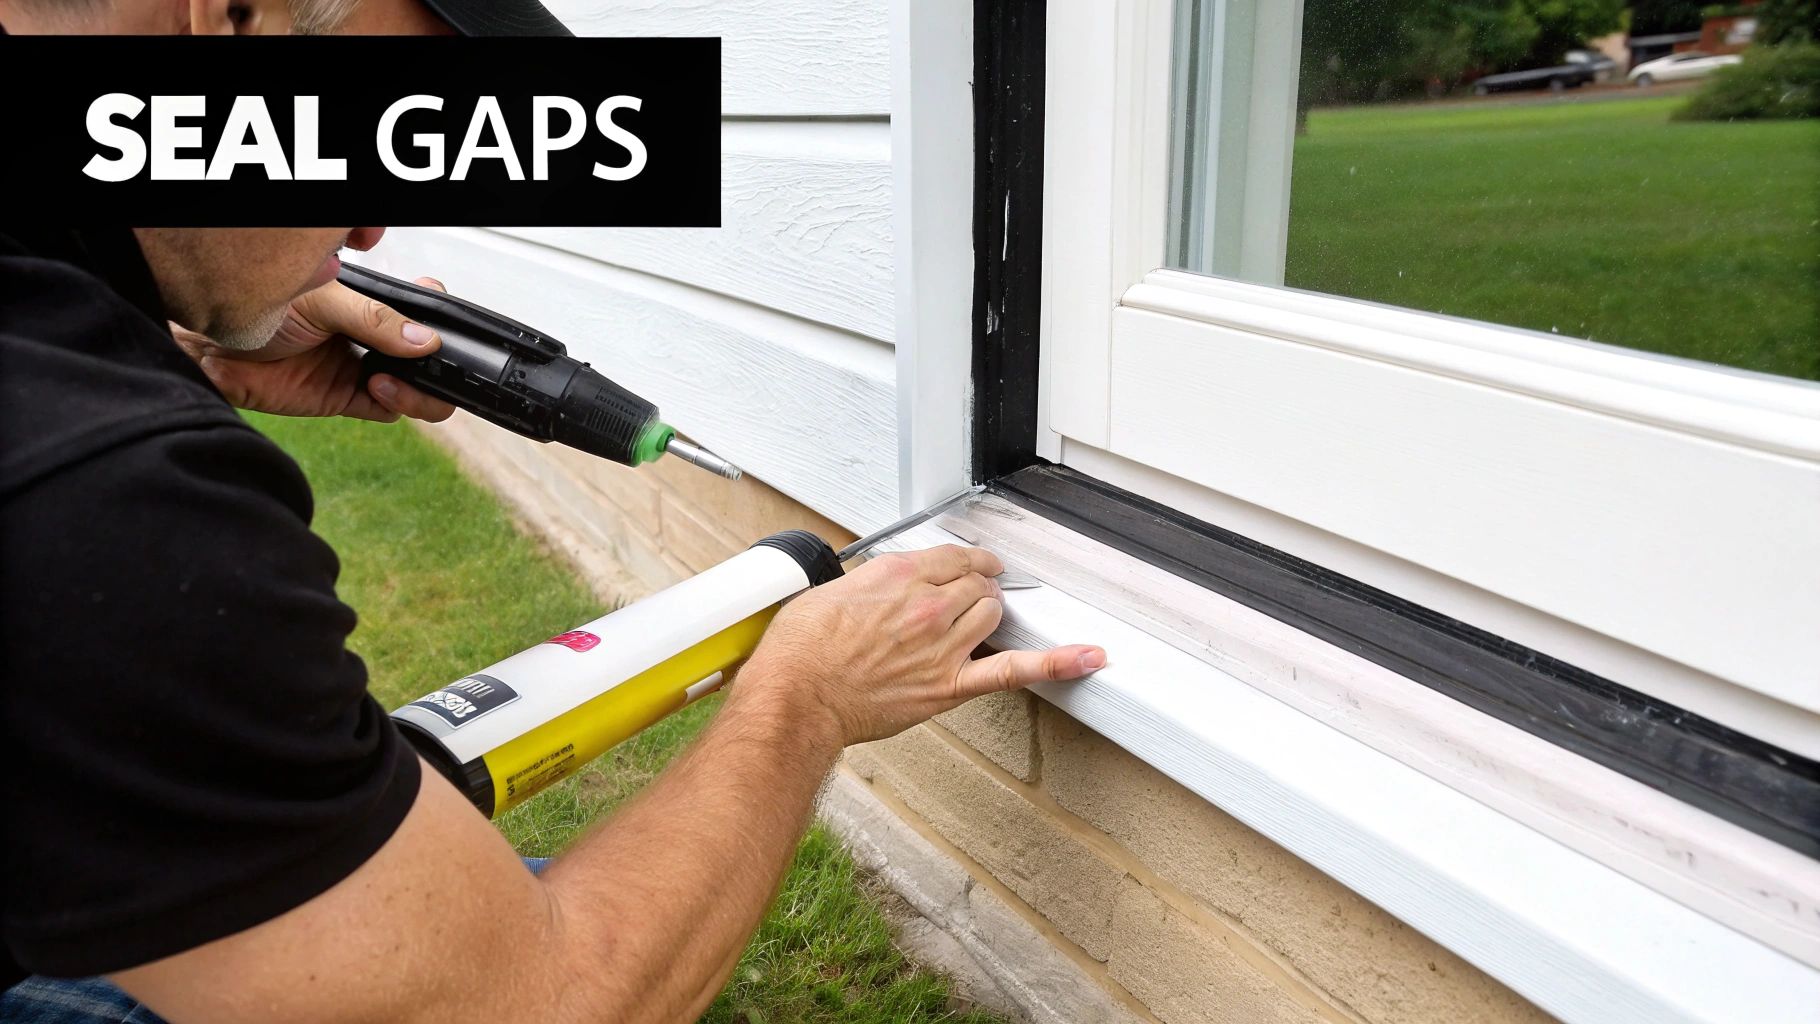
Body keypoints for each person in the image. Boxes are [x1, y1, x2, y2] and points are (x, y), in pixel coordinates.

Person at [0, 1, 1106, 1021]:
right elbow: (535, 1003)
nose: (380, 227)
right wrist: (802, 704)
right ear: (226, 16)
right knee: (503, 930)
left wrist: (169, 346)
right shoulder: (97, 486)